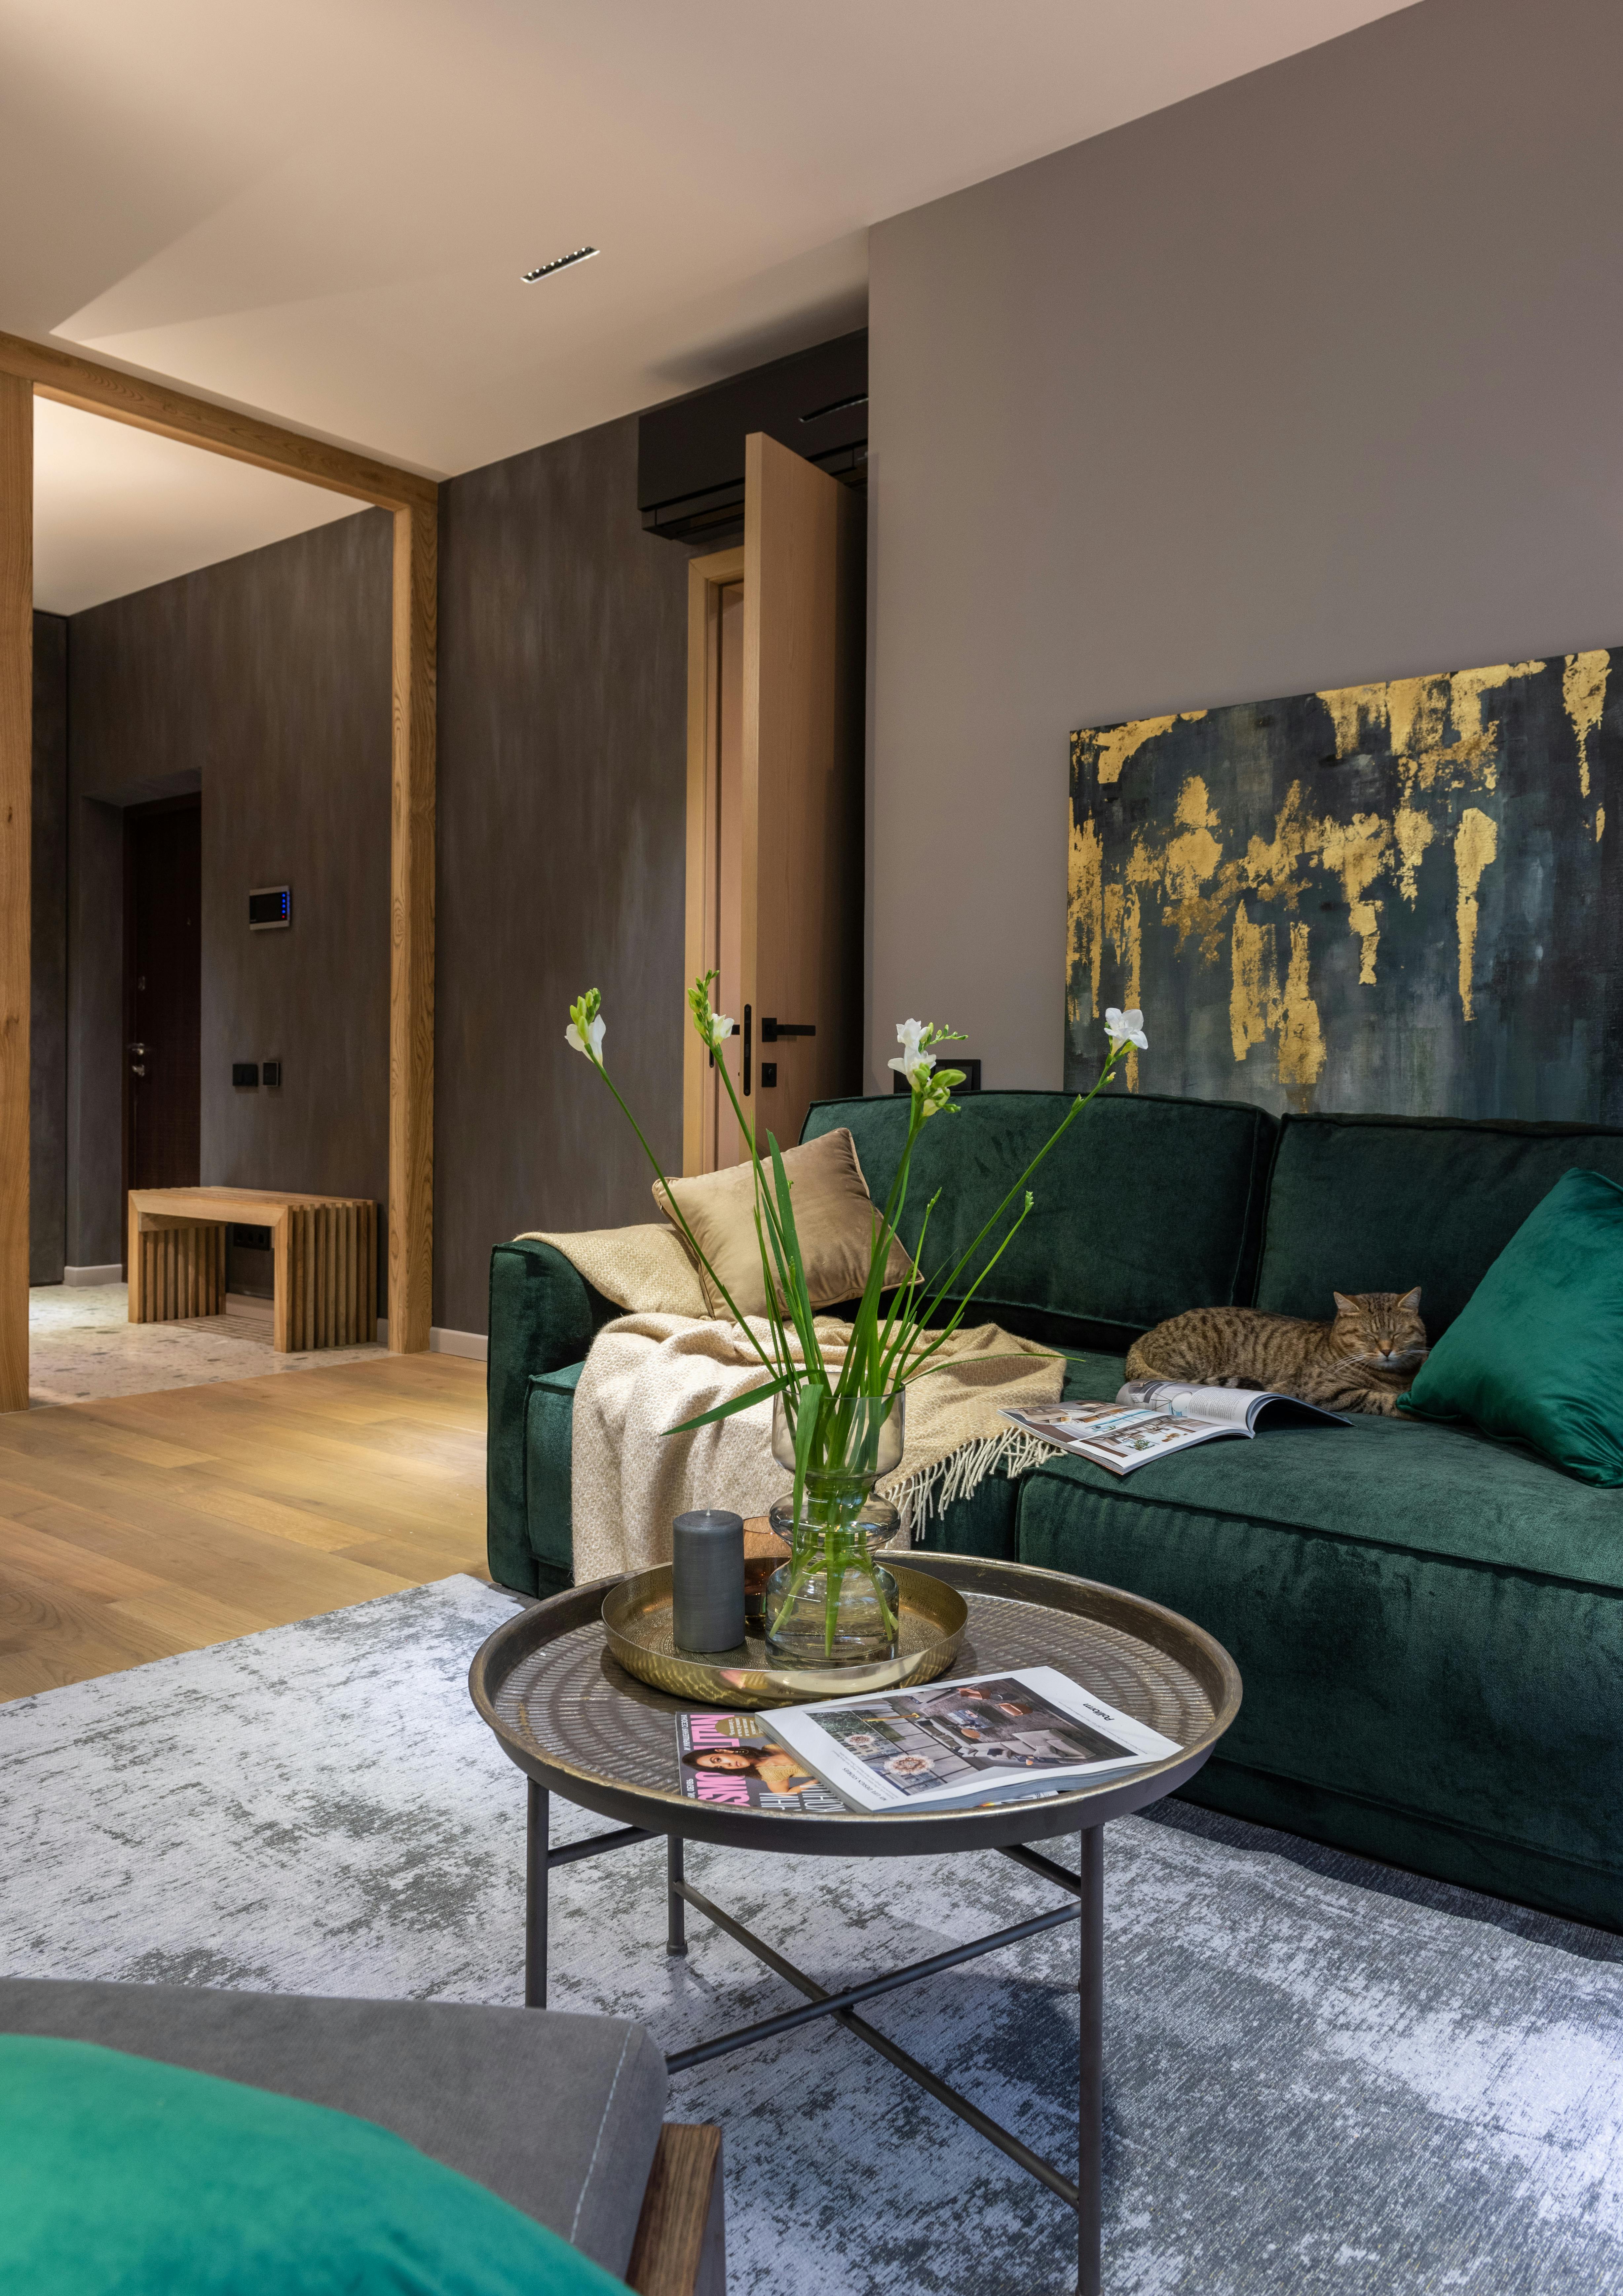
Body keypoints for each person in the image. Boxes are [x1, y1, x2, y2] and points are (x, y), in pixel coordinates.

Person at [682, 1742, 820, 1798]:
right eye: (720, 1768)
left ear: (723, 1751)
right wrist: (816, 1781)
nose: (727, 1765)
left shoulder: (769, 1747)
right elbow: (785, 1793)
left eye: (718, 1760)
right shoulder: (770, 1775)